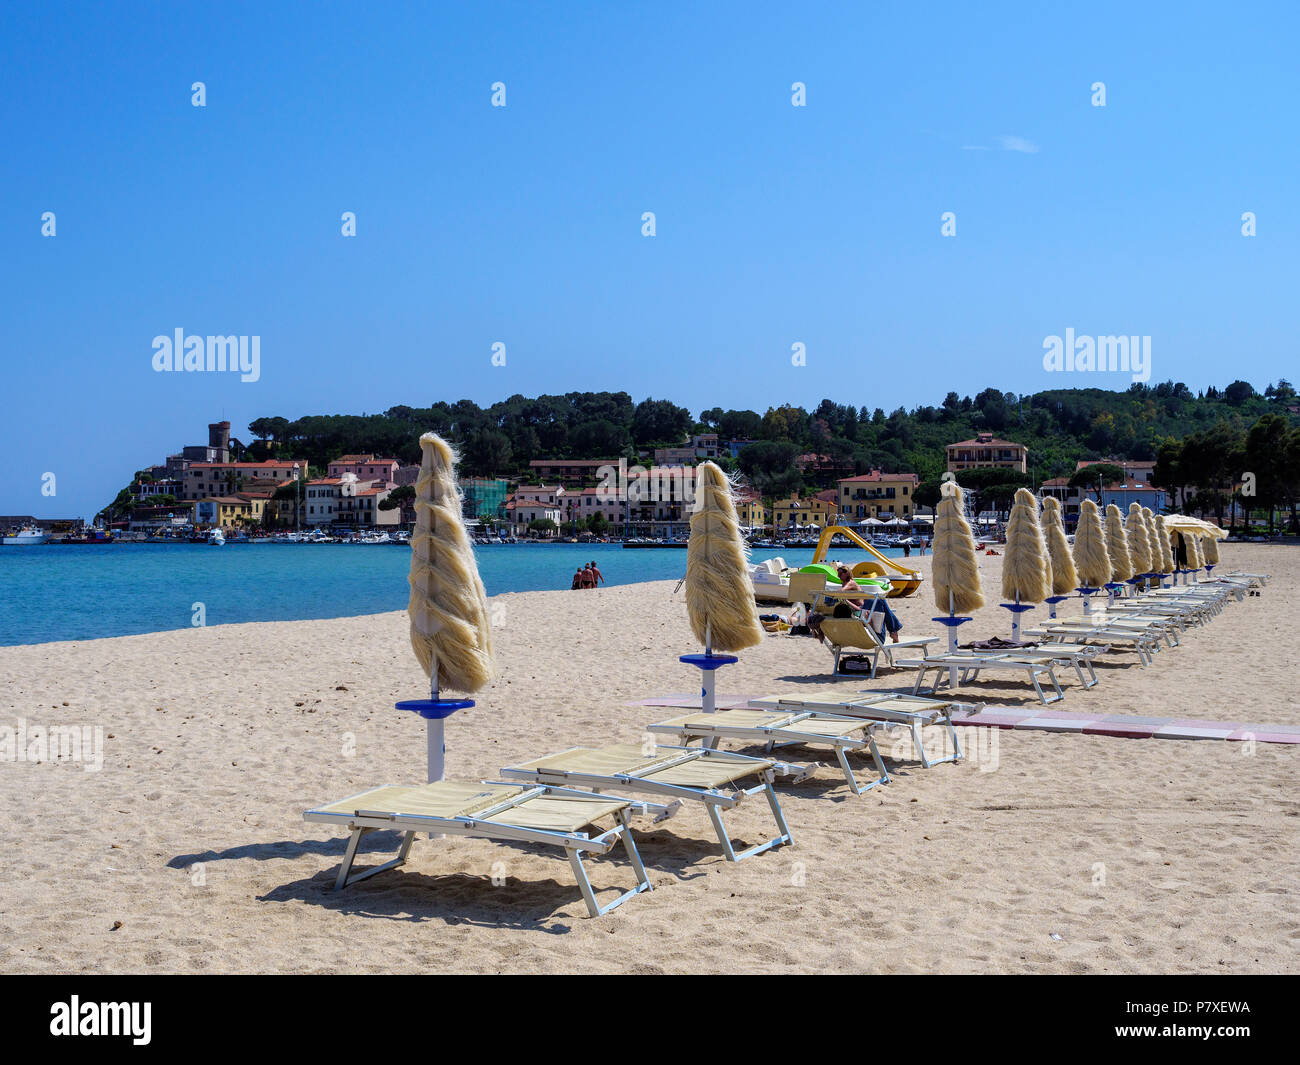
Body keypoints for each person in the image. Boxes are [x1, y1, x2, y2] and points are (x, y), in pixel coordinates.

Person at [834, 564, 902, 643]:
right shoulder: (845, 583)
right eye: (838, 574)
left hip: (862, 606)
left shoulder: (850, 583)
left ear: (847, 573)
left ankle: (893, 630)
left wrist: (841, 598)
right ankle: (893, 631)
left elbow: (841, 591)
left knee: (880, 601)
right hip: (860, 607)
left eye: (840, 574)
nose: (838, 576)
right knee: (881, 602)